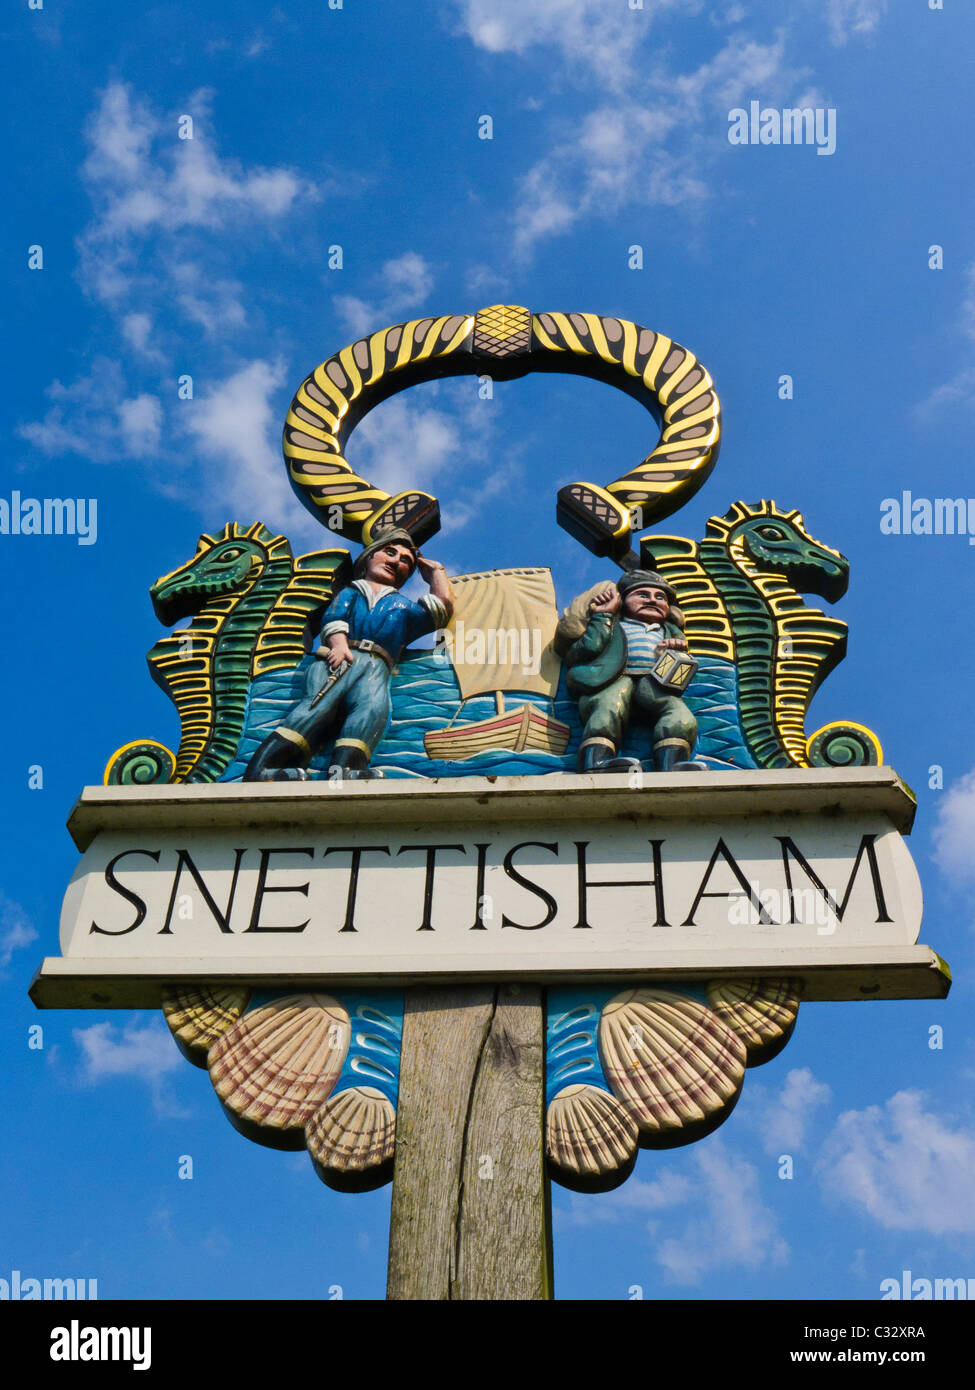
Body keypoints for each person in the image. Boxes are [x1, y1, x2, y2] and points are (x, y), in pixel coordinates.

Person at [244, 527, 453, 780]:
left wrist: (436, 573)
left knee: (371, 712)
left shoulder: (402, 606)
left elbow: (439, 610)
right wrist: (339, 644)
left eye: (405, 561)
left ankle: (345, 772)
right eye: (389, 552)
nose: (396, 561)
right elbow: (335, 617)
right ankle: (262, 769)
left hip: (377, 667)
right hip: (342, 658)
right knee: (315, 709)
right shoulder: (352, 592)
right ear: (369, 557)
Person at [564, 569, 700, 773]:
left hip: (653, 684)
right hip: (613, 681)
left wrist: (676, 648)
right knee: (608, 707)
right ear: (622, 600)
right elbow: (586, 649)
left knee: (680, 715)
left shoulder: (671, 631)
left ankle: (671, 765)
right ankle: (595, 763)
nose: (652, 601)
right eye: (642, 595)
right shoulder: (614, 625)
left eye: (660, 597)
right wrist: (603, 615)